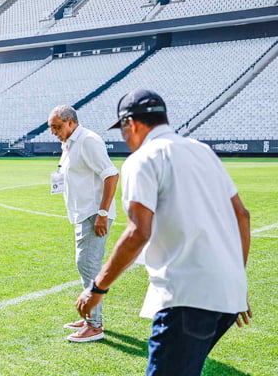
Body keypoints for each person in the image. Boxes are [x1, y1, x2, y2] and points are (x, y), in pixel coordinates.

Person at [76, 89, 252, 375]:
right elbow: (242, 216)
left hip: (187, 295)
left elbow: (138, 232)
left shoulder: (143, 159)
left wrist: (97, 288)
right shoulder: (202, 150)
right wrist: (236, 278)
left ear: (130, 123)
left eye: (122, 130)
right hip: (228, 298)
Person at [47, 105, 119, 342]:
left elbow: (111, 174)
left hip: (93, 214)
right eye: (51, 128)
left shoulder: (88, 140)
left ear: (70, 122)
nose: (54, 132)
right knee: (85, 265)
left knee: (87, 265)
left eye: (57, 127)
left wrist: (102, 213)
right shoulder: (68, 142)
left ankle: (94, 325)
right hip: (82, 213)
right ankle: (89, 314)